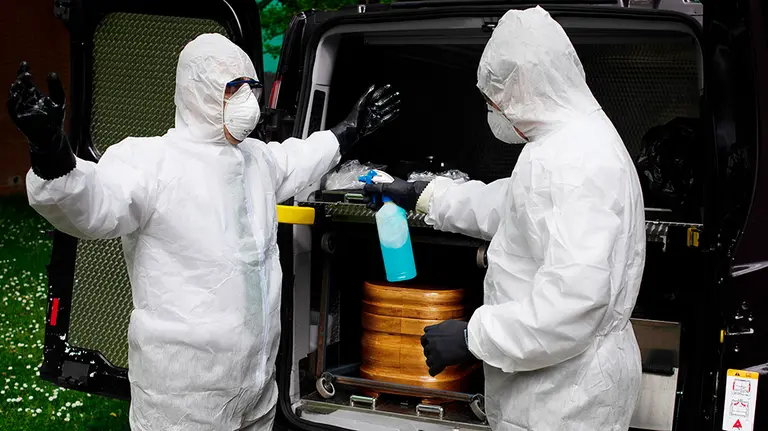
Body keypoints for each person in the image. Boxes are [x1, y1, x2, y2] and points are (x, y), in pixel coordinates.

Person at [7, 33, 399, 430]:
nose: (248, 100)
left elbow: (296, 160)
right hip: (182, 398)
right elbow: (92, 205)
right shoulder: (150, 162)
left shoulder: (255, 159)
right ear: (197, 93)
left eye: (252, 87)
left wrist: (348, 130)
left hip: (256, 385)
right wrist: (51, 152)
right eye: (234, 88)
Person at [364, 7, 645, 431]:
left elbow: (573, 305)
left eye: (495, 97)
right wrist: (422, 194)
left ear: (526, 87)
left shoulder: (573, 162)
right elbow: (513, 207)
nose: (493, 108)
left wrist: (472, 337)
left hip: (561, 400)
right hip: (554, 387)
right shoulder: (564, 141)